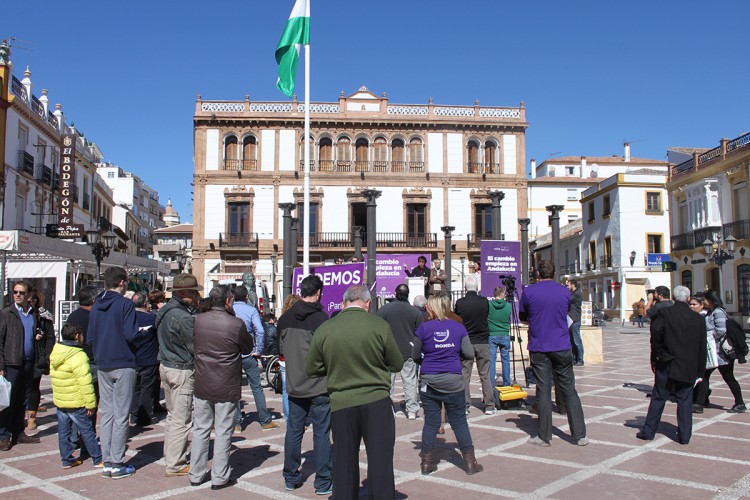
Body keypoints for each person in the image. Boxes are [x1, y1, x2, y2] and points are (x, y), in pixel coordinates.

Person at [306, 284, 404, 500]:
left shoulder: (326, 328)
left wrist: (334, 366)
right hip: (376, 400)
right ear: (367, 304)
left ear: (343, 303)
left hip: (342, 402)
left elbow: (312, 368)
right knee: (380, 461)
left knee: (344, 461)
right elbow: (396, 363)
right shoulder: (378, 326)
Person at [188, 285, 252, 490]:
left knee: (200, 429)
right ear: (228, 301)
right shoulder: (235, 323)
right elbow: (247, 347)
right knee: (223, 430)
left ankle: (196, 474)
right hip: (226, 383)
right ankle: (219, 477)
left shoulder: (199, 320)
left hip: (203, 381)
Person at [519, 260, 588, 447]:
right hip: (562, 345)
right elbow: (566, 313)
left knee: (543, 389)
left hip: (540, 346)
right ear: (554, 272)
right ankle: (580, 434)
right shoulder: (565, 291)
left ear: (538, 273)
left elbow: (523, 316)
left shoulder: (530, 292)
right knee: (569, 389)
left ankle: (544, 435)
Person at [413, 293, 483, 476]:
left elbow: (415, 355)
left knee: (431, 422)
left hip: (429, 379)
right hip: (453, 379)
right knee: (459, 422)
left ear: (431, 308)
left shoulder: (423, 328)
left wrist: (428, 362)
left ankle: (427, 463)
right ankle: (470, 462)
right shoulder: (458, 327)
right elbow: (468, 353)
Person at [277, 276, 332, 494]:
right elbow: (328, 353)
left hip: (295, 384)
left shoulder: (284, 319)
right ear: (318, 292)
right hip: (319, 385)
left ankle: (290, 477)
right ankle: (323, 482)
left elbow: (280, 351)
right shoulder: (321, 319)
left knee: (294, 431)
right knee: (321, 433)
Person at [87, 266, 141, 479]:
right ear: (122, 282)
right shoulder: (125, 304)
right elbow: (130, 334)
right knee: (121, 414)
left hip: (102, 361)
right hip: (123, 361)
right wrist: (142, 334)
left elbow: (90, 337)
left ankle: (107, 459)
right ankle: (117, 463)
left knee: (107, 412)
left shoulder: (96, 305)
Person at [637, 286, 707, 444]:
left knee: (659, 397)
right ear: (688, 299)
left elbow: (656, 336)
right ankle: (684, 436)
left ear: (674, 298)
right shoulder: (698, 318)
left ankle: (648, 431)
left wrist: (655, 357)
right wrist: (700, 370)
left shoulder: (665, 313)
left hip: (667, 362)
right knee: (685, 399)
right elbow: (702, 346)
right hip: (688, 364)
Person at [156, 273, 202, 478]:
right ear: (182, 292)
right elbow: (194, 346)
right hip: (181, 368)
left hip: (166, 365)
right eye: (193, 292)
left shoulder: (164, 310)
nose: (196, 295)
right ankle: (175, 463)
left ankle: (170, 455)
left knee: (173, 415)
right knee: (182, 419)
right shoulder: (183, 317)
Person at [49, 323, 103, 469]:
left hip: (61, 400)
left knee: (63, 432)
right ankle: (97, 458)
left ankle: (66, 459)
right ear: (77, 336)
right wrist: (91, 404)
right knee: (87, 431)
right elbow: (85, 383)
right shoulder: (79, 356)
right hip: (76, 401)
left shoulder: (56, 352)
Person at [0, 280, 42, 450]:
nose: (17, 295)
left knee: (21, 400)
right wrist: (1, 365)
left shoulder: (33, 313)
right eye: (15, 292)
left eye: (21, 293)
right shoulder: (6, 313)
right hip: (11, 363)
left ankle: (18, 432)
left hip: (28, 362)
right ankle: (3, 435)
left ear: (29, 295)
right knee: (7, 401)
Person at [232, 285, 279, 431]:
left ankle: (237, 422)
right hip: (248, 354)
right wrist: (258, 350)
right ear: (246, 296)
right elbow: (260, 331)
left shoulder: (229, 310)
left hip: (232, 354)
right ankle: (265, 420)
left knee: (234, 389)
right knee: (257, 388)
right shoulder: (251, 310)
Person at [693, 290, 746, 414]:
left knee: (728, 377)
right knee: (704, 375)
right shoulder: (710, 312)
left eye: (704, 299)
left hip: (721, 353)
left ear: (710, 300)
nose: (703, 301)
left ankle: (740, 403)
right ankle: (700, 402)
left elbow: (721, 330)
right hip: (713, 352)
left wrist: (708, 336)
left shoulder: (718, 312)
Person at [377, 283, 424, 419]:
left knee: (388, 382)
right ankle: (411, 410)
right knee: (409, 381)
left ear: (395, 293)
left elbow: (377, 329)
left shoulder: (385, 309)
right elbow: (420, 333)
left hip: (389, 350)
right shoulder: (415, 311)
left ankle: (389, 408)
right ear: (408, 294)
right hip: (408, 349)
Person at [455, 275, 495, 415]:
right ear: (477, 287)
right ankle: (489, 405)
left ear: (465, 288)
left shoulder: (460, 303)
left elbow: (457, 320)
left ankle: (465, 405)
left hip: (466, 341)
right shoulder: (484, 301)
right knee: (485, 374)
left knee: (465, 374)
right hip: (483, 340)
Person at [25, 288, 56, 430]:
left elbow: (50, 337)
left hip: (38, 357)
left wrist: (46, 355)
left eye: (32, 299)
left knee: (33, 387)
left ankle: (32, 416)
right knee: (20, 387)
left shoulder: (43, 316)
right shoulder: (16, 315)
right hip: (19, 357)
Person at [129, 292, 159, 426]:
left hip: (132, 358)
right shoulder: (152, 319)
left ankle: (134, 414)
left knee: (135, 388)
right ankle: (144, 416)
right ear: (145, 304)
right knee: (146, 388)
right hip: (148, 358)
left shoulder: (128, 319)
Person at [488, 286, 512, 389]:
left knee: (492, 361)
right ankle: (507, 383)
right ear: (502, 294)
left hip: (492, 334)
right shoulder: (508, 306)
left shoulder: (489, 305)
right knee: (505, 360)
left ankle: (491, 384)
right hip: (504, 334)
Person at [566, 280, 584, 366]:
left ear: (573, 285)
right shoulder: (573, 293)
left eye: (568, 285)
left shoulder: (577, 293)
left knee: (577, 341)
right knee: (572, 341)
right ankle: (574, 359)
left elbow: (568, 299)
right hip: (570, 319)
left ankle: (580, 359)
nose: (567, 287)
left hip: (575, 319)